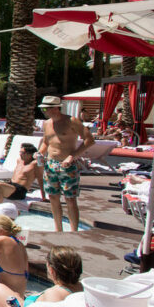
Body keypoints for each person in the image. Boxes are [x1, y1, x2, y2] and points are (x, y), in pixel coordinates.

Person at [38, 96, 95, 231]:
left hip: (67, 165)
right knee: (53, 197)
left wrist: (72, 156)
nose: (45, 111)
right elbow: (47, 141)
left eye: (47, 108)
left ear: (56, 108)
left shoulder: (71, 121)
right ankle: (58, 229)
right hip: (51, 164)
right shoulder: (46, 124)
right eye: (43, 109)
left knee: (70, 199)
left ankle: (74, 231)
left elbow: (89, 140)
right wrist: (40, 153)